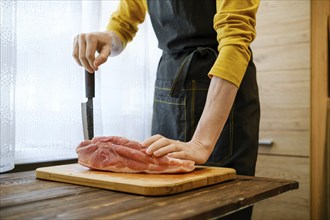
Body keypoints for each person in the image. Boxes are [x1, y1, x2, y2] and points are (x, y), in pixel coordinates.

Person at [73, 1, 260, 219]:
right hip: (170, 83)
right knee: (165, 205)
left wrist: (202, 142)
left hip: (223, 91)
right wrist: (109, 37)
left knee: (221, 207)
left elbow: (235, 40)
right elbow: (124, 23)